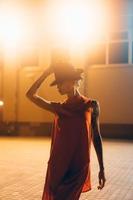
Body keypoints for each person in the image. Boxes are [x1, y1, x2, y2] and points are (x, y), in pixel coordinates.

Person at [26, 63, 106, 200]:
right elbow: (30, 95)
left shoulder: (92, 105)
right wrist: (46, 73)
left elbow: (96, 137)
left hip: (79, 165)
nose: (58, 87)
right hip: (59, 165)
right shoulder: (58, 108)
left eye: (60, 83)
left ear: (72, 82)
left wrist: (102, 168)